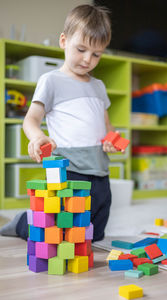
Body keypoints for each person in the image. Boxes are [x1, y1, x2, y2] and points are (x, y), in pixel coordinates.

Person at [0, 4, 118, 242]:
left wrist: (111, 139)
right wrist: (37, 136)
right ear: (64, 41)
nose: (87, 60)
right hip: (70, 169)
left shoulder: (98, 86)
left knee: (94, 233)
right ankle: (24, 221)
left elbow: (106, 124)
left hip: (100, 169)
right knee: (60, 231)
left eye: (96, 54)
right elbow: (31, 118)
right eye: (81, 49)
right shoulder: (51, 80)